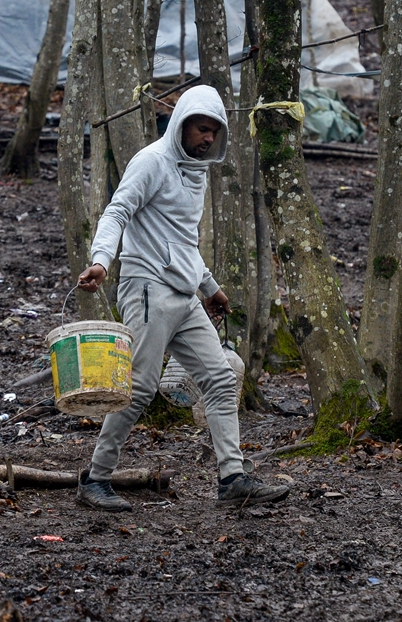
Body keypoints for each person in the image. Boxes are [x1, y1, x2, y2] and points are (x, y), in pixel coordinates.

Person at [74, 85, 290, 511]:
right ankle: (95, 478)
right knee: (139, 388)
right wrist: (101, 261)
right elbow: (117, 211)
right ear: (181, 125)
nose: (207, 138)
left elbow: (183, 239)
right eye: (200, 129)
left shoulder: (197, 172)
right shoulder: (152, 161)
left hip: (185, 294)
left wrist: (210, 287)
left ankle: (233, 478)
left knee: (220, 379)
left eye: (213, 131)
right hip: (147, 287)